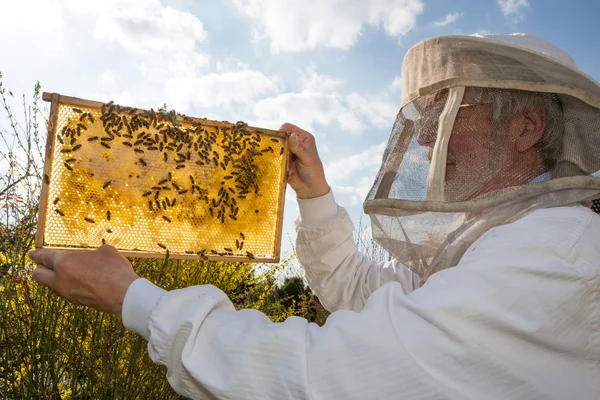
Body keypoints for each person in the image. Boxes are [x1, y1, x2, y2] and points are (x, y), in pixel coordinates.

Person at [29, 33, 600, 399]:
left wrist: (136, 298)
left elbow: (325, 376)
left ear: (527, 128)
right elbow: (360, 294)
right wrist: (316, 195)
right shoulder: (491, 243)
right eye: (424, 117)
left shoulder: (553, 255)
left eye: (450, 112)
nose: (426, 136)